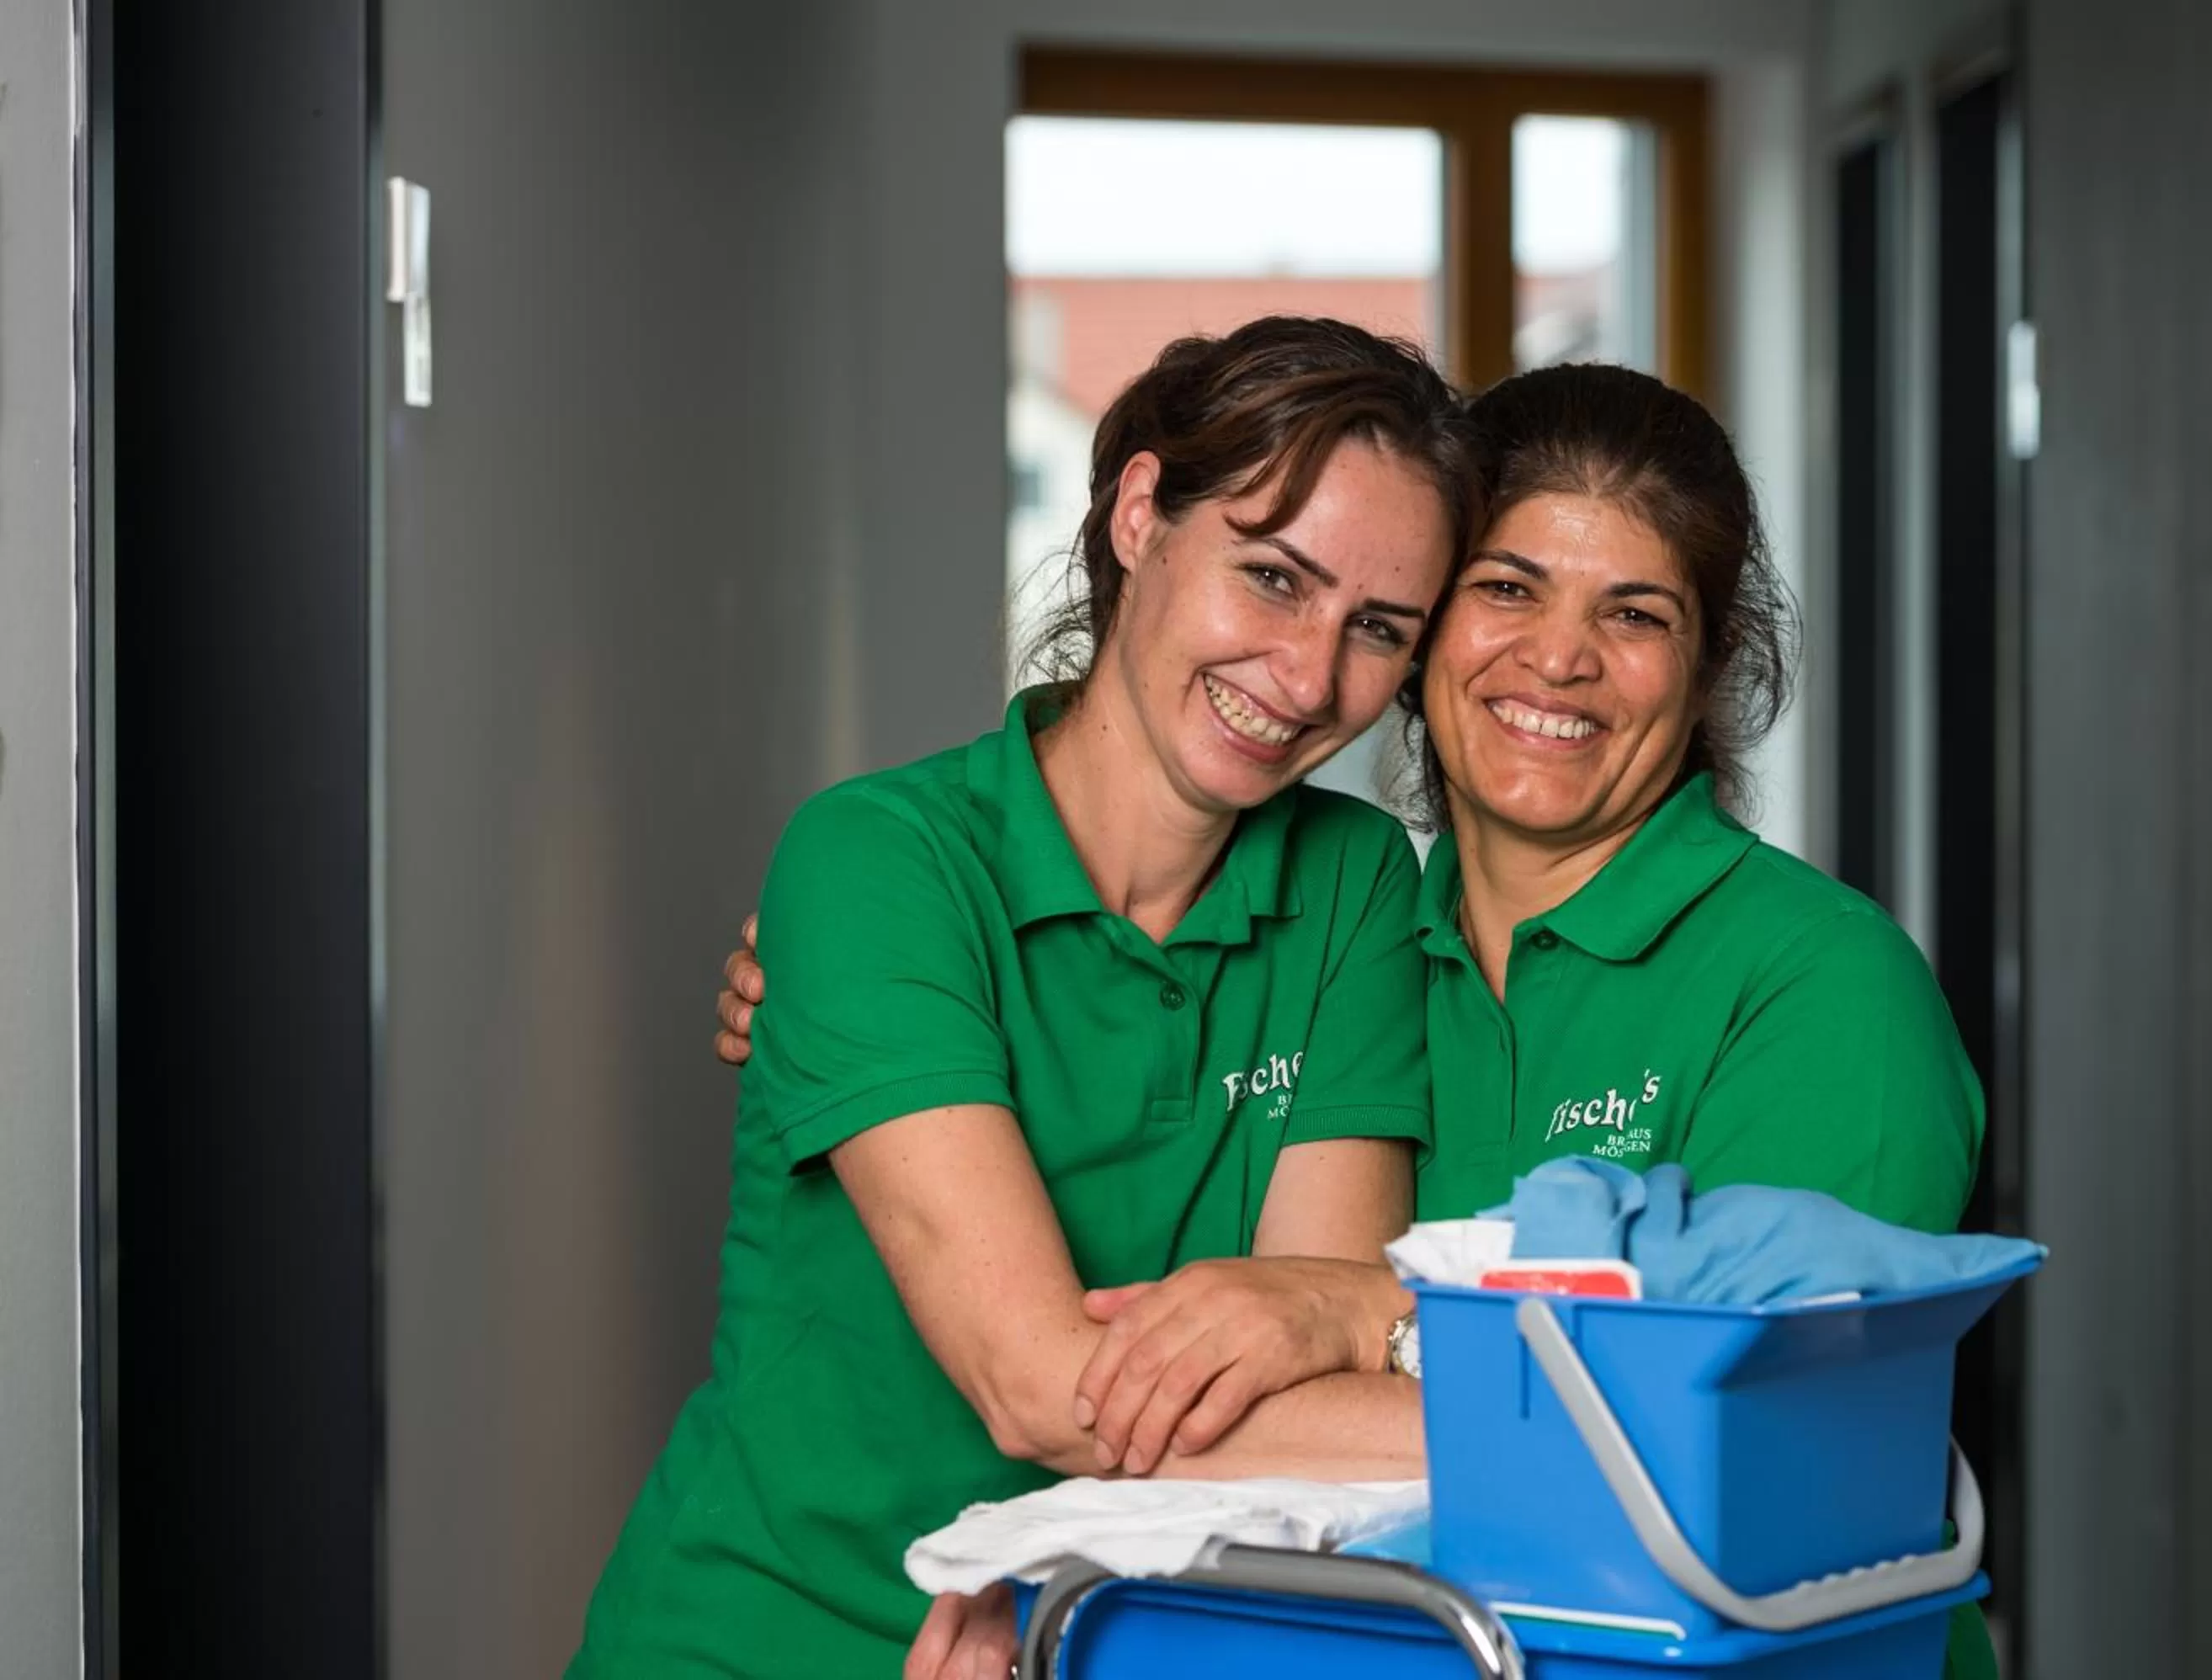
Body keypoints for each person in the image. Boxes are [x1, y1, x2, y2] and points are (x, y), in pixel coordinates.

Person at [716, 363, 1993, 1680]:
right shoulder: (1361, 926)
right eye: (1504, 589)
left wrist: (1354, 1318)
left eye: (1637, 613)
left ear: (1711, 662)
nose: (1559, 657)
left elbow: (1768, 1457)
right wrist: (827, 960)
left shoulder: (1824, 989)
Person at [569, 316, 1486, 1679]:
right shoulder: (876, 860)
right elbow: (1047, 1392)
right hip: (774, 1638)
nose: (1306, 679)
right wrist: (1582, 1439)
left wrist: (1353, 1326)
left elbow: (1322, 1359)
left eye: (1379, 630)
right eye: (1274, 578)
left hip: (1107, 1639)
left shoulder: (1356, 885)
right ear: (1136, 516)